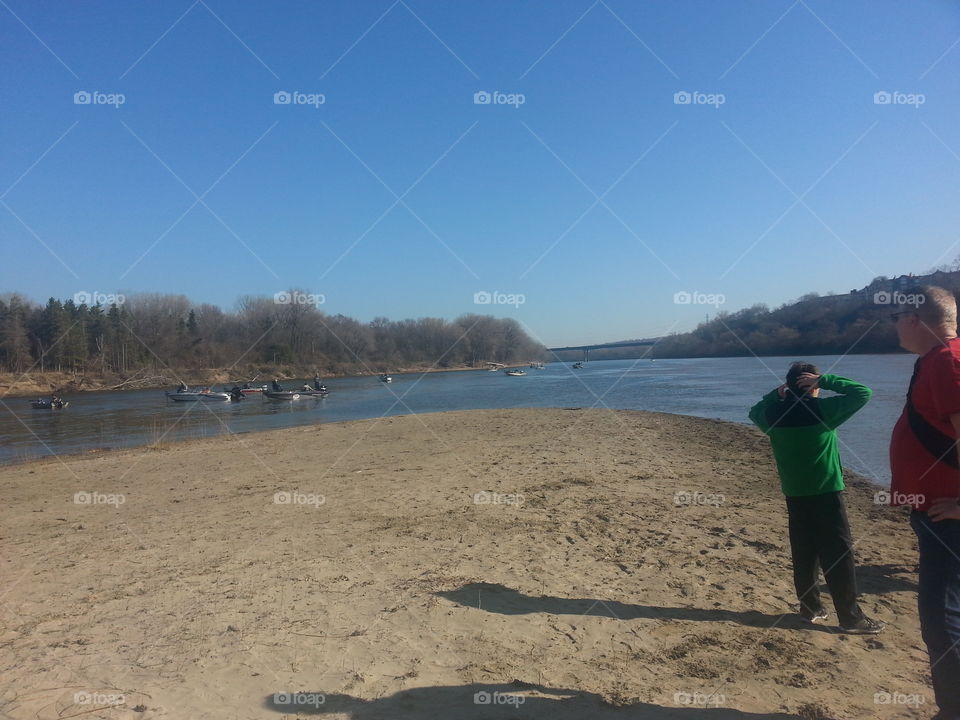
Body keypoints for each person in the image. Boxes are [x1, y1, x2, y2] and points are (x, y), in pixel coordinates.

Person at [749, 362, 883, 634]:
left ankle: (810, 608)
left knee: (804, 551)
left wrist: (777, 393)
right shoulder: (823, 411)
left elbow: (754, 411)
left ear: (788, 386)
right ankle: (850, 618)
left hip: (795, 493)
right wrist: (827, 380)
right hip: (826, 493)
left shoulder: (772, 415)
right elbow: (863, 393)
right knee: (838, 553)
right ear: (813, 387)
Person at [889, 285, 960, 720]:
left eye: (897, 317)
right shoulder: (942, 358)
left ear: (914, 319)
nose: (893, 325)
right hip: (938, 512)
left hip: (948, 517)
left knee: (942, 619)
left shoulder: (946, 362)